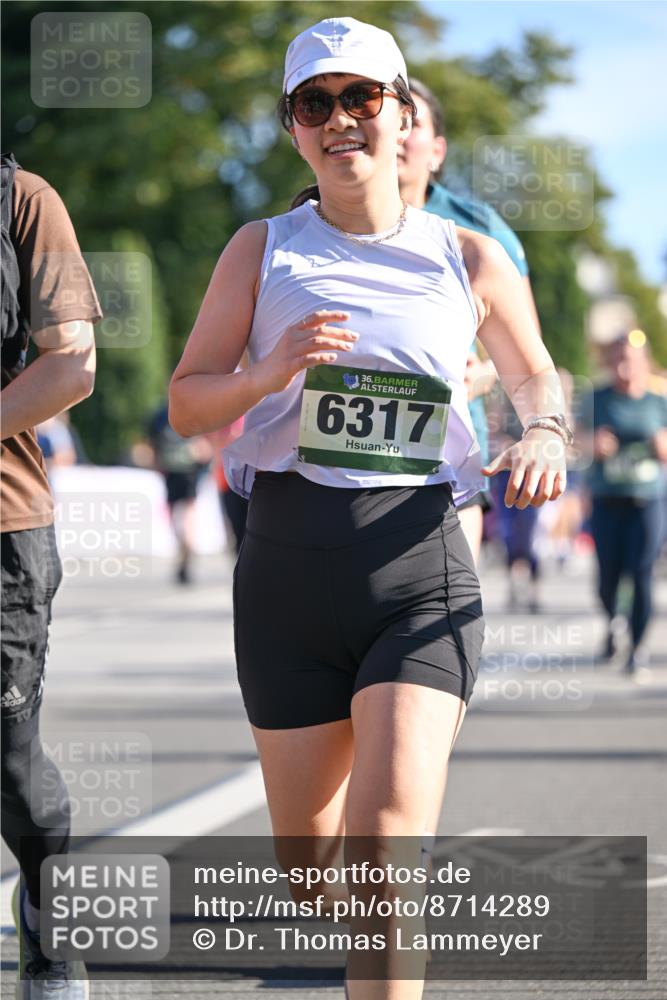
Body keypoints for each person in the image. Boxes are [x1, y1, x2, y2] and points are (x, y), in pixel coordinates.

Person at [169, 18, 569, 999]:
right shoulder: (258, 250)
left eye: (362, 99)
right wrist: (267, 370)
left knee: (387, 848)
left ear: (402, 116)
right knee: (314, 872)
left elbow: (536, 381)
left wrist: (545, 436)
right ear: (294, 130)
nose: (341, 120)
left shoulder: (469, 259)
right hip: (287, 572)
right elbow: (186, 400)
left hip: (417, 565)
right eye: (316, 104)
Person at [1, 153, 99, 998]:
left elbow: (71, 366)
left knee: (9, 765)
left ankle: (46, 915)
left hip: (4, 527)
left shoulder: (26, 199)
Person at [397, 77, 542, 563]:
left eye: (410, 122)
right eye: (386, 121)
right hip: (341, 463)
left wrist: (475, 377)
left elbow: (527, 352)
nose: (396, 134)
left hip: (451, 455)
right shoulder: (318, 221)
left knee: (447, 612)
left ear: (437, 150)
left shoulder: (479, 230)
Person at [582, 330, 667, 676]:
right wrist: (592, 444)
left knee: (643, 571)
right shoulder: (597, 399)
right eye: (617, 359)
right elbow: (573, 441)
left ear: (644, 363)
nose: (623, 367)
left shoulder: (658, 402)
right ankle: (613, 620)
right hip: (607, 501)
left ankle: (637, 643)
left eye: (630, 360)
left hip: (647, 502)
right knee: (608, 577)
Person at [148, 400, 211, 584]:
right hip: (173, 474)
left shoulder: (192, 410)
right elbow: (152, 444)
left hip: (187, 474)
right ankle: (185, 550)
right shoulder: (161, 415)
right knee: (177, 521)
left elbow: (205, 446)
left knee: (184, 519)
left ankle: (187, 548)